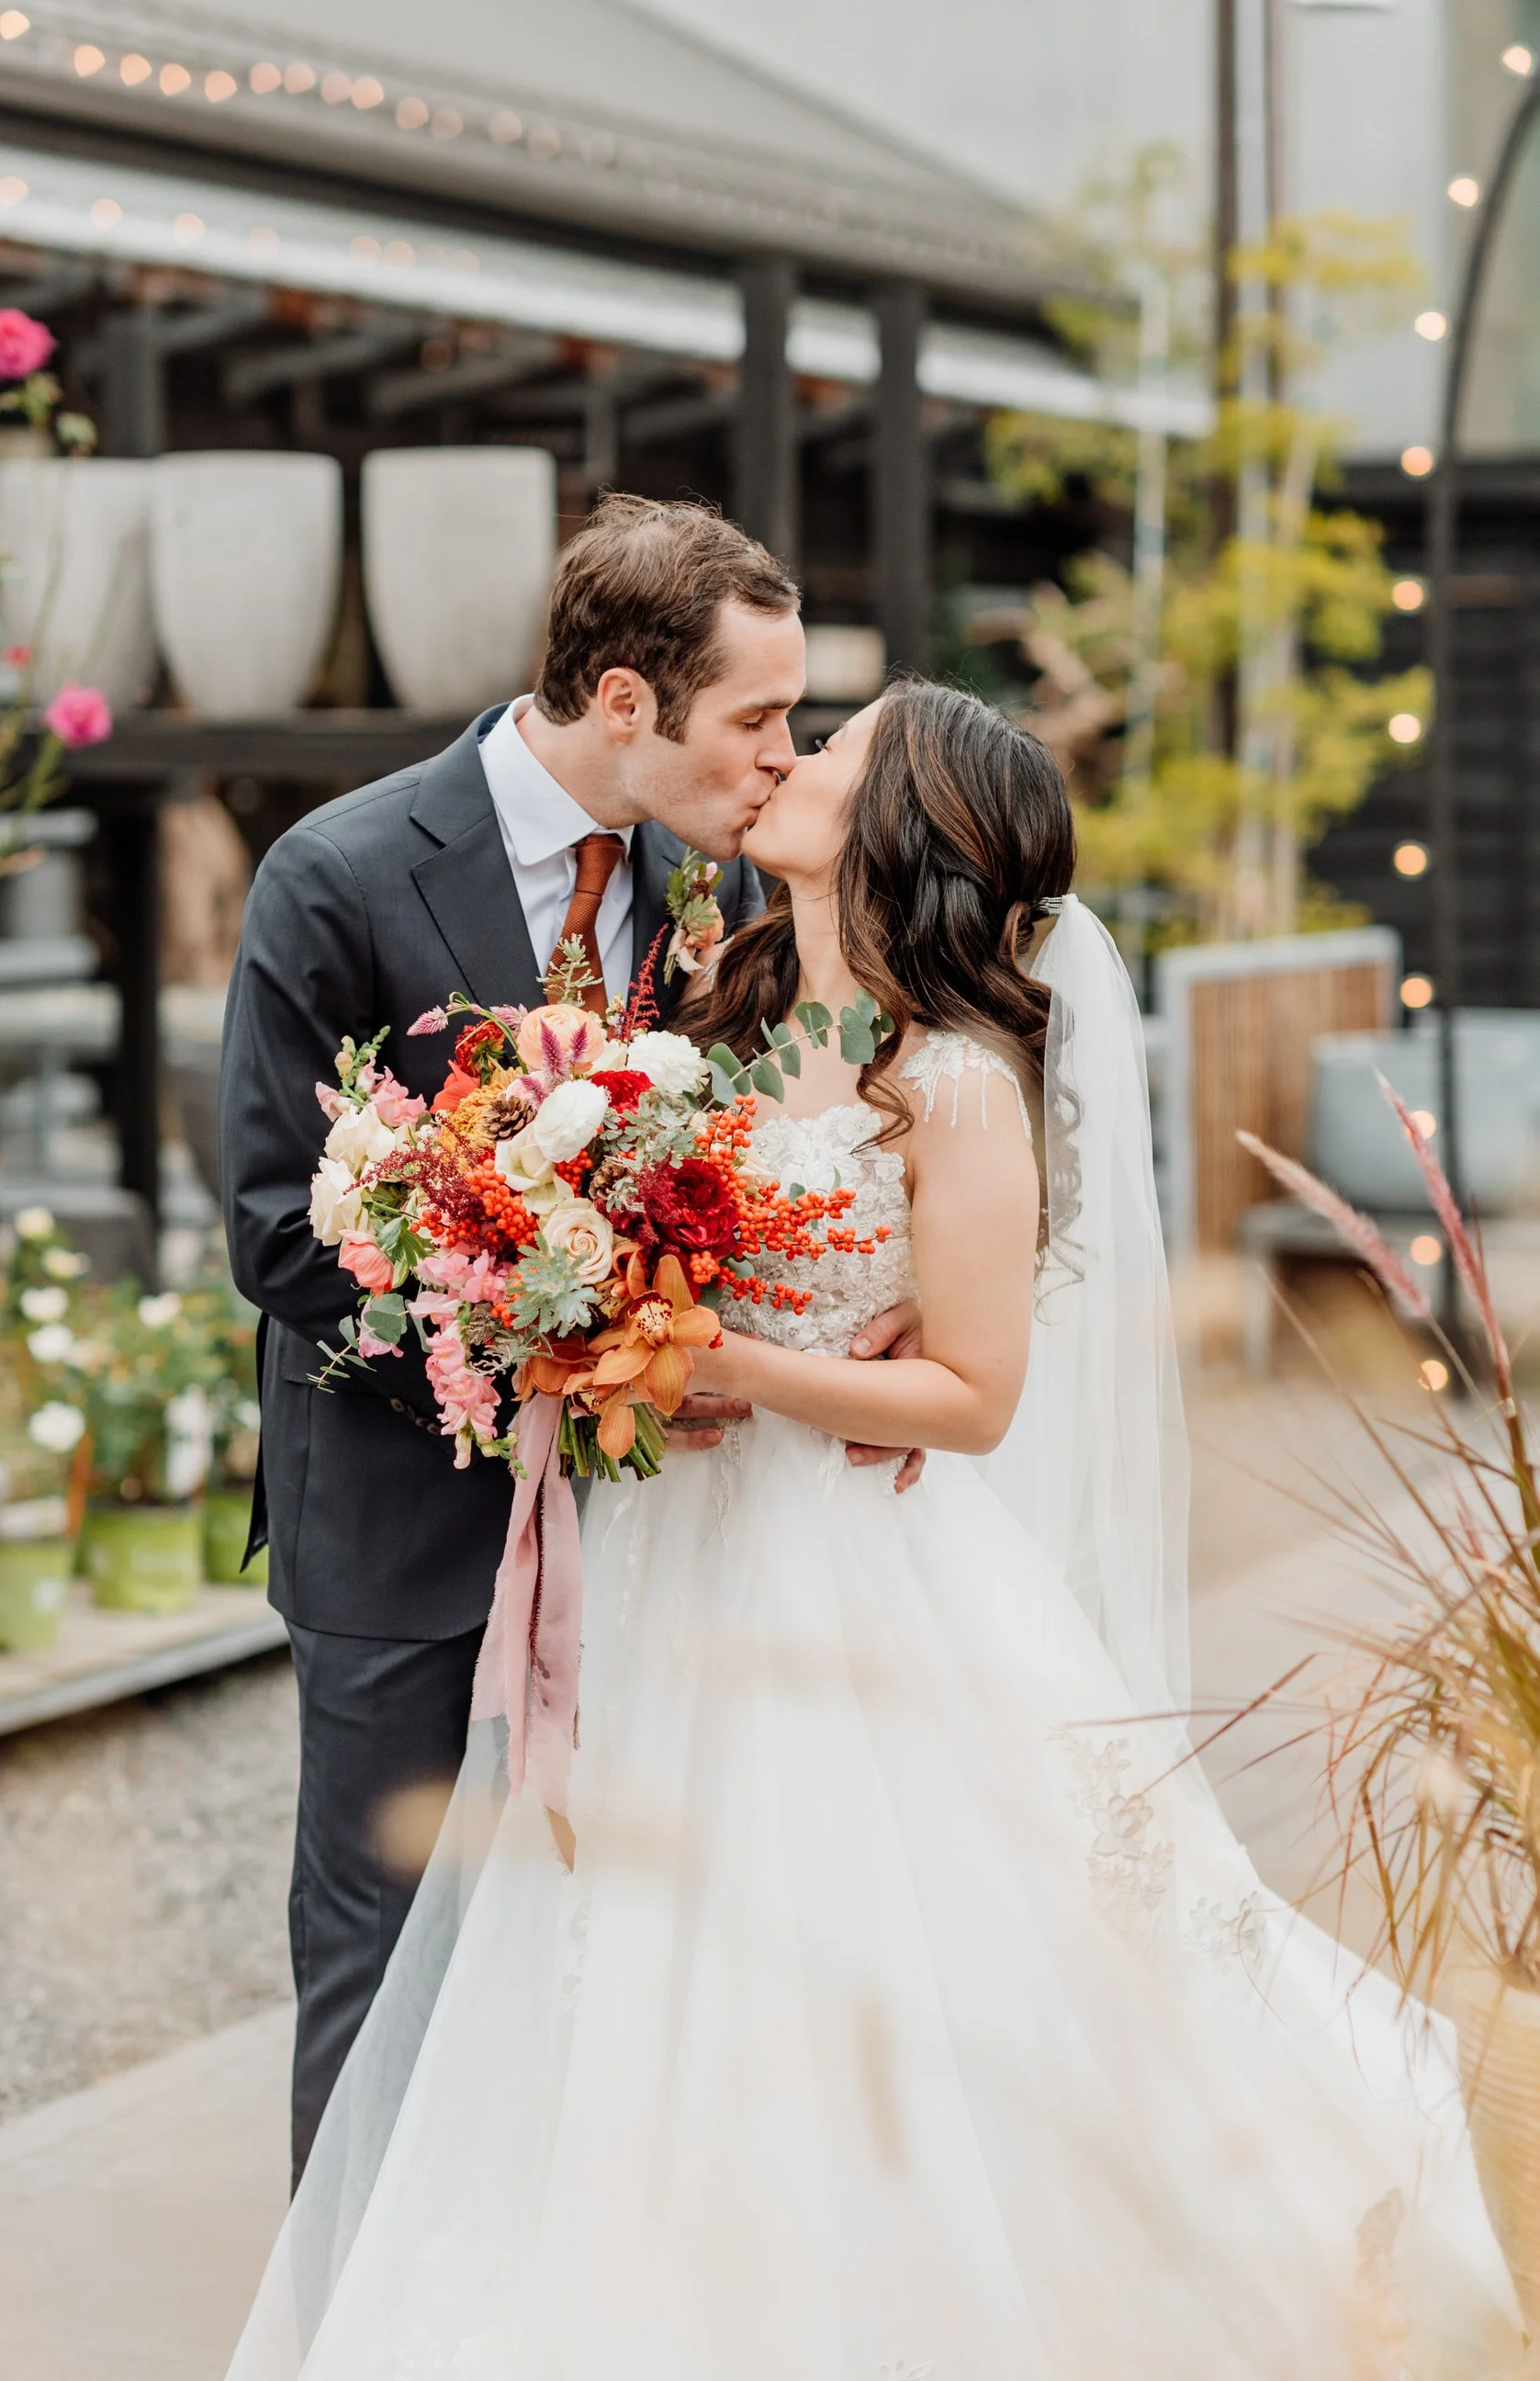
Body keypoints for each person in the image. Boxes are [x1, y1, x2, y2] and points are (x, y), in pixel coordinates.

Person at [226, 681, 1516, 2378]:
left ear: (899, 820)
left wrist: (724, 1358)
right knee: (626, 1959)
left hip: (834, 1567)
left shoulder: (959, 1083)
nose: (785, 759)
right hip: (660, 1556)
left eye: (827, 749)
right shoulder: (722, 998)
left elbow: (974, 1394)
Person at [219, 496, 923, 2187]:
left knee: (596, 1950)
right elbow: (272, 1227)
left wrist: (840, 1306)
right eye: (755, 718)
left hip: (657, 1537)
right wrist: (548, 1368)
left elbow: (768, 1140)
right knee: (380, 1956)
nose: (780, 757)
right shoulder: (339, 872)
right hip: (398, 1518)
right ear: (625, 702)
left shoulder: (716, 882)